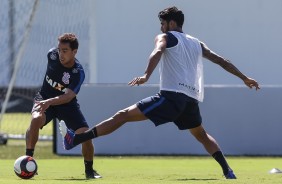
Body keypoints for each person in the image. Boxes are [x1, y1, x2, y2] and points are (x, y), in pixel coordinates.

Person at [59, 7, 260, 179]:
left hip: (171, 97)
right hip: (190, 99)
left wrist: (146, 75)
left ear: (172, 23)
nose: (160, 27)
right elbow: (221, 60)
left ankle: (76, 140)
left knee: (122, 116)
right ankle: (228, 171)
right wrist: (244, 78)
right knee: (202, 135)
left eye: (162, 23)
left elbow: (157, 51)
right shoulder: (196, 42)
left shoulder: (166, 37)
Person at [25, 33, 101, 179]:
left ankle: (89, 170)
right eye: (60, 49)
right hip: (44, 98)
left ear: (75, 52)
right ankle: (29, 161)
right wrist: (46, 101)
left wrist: (49, 102)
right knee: (35, 119)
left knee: (85, 134)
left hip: (67, 105)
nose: (61, 54)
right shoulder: (51, 55)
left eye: (65, 51)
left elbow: (68, 96)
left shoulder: (78, 73)